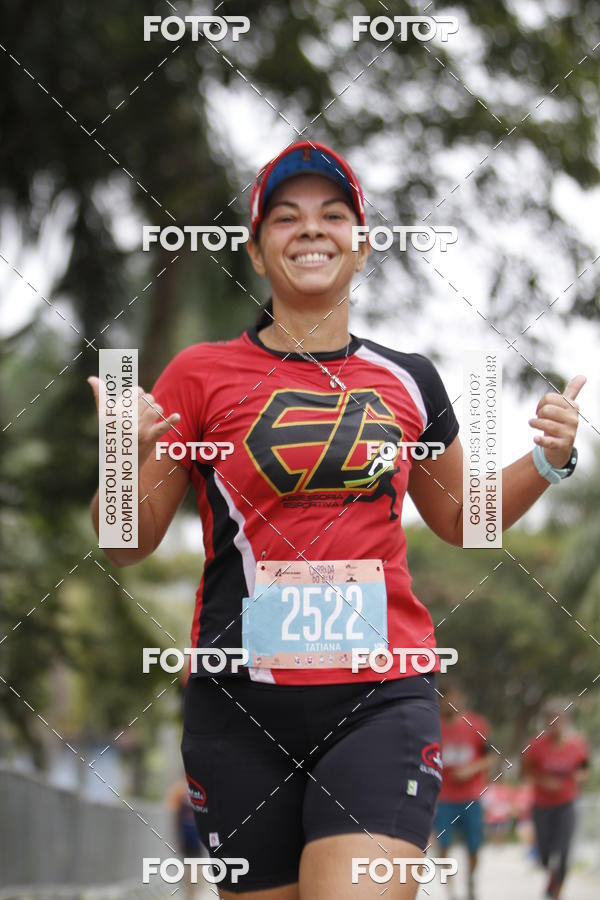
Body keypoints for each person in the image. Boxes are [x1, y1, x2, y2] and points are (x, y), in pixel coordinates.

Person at [88, 140, 585, 899]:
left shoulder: (409, 378)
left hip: (380, 699)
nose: (311, 230)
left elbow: (463, 518)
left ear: (362, 247)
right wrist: (122, 460)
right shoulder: (198, 374)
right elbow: (125, 547)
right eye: (285, 218)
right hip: (237, 709)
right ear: (257, 253)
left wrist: (547, 461)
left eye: (333, 215)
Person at [433, 684, 496, 900]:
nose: (450, 703)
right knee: (443, 847)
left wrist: (471, 769)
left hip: (471, 797)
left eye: (454, 698)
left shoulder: (477, 724)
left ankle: (470, 881)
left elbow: (491, 757)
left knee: (474, 846)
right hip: (442, 798)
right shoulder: (432, 726)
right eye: (444, 698)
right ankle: (451, 892)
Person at [522, 702, 590, 899]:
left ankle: (556, 893)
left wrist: (580, 777)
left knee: (563, 852)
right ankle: (550, 874)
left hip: (566, 805)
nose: (556, 725)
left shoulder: (577, 746)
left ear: (567, 722)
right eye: (551, 721)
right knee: (544, 854)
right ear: (546, 723)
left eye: (559, 721)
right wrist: (545, 781)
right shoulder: (536, 746)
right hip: (542, 806)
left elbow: (584, 769)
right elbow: (526, 772)